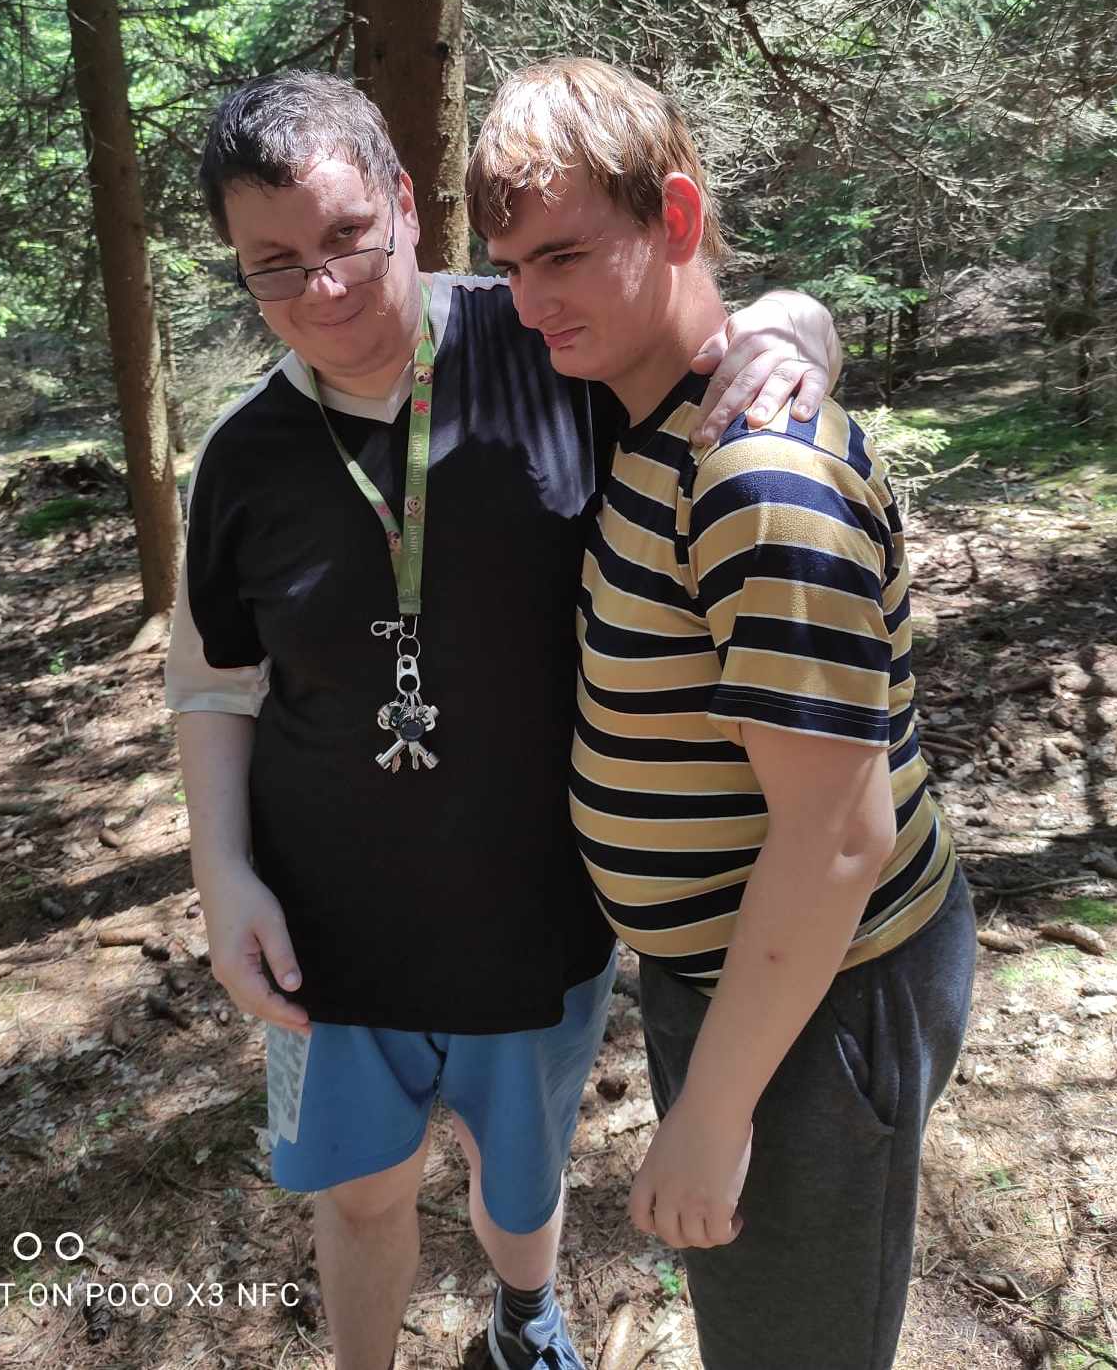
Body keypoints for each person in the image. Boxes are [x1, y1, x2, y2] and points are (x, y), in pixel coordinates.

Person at [164, 70, 841, 1370]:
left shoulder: (543, 345)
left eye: (347, 235)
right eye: (274, 263)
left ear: (403, 205)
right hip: (324, 928)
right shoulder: (242, 454)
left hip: (538, 914)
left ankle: (524, 1318)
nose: (322, 287)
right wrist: (223, 872)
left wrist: (796, 327)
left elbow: (711, 332)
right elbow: (214, 677)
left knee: (520, 1183)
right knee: (359, 1189)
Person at [469, 57, 977, 1370]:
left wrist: (711, 1110)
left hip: (820, 997)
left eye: (564, 256)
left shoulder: (755, 474)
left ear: (678, 217)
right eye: (510, 267)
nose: (531, 302)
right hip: (745, 981)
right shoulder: (645, 411)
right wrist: (794, 314)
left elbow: (837, 837)